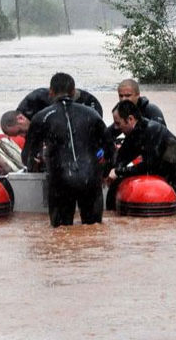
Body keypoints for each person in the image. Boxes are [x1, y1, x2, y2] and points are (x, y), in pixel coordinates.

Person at [22, 73, 114, 227]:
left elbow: (28, 155)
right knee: (94, 231)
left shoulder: (41, 117)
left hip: (61, 180)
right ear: (73, 92)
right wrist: (105, 172)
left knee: (61, 232)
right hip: (90, 178)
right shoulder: (92, 114)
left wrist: (34, 165)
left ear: (51, 92)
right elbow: (110, 148)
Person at [106, 100, 176, 210]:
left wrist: (118, 172)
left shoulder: (153, 131)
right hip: (173, 180)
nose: (115, 128)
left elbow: (147, 166)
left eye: (118, 123)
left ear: (130, 119)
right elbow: (121, 159)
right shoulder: (133, 134)